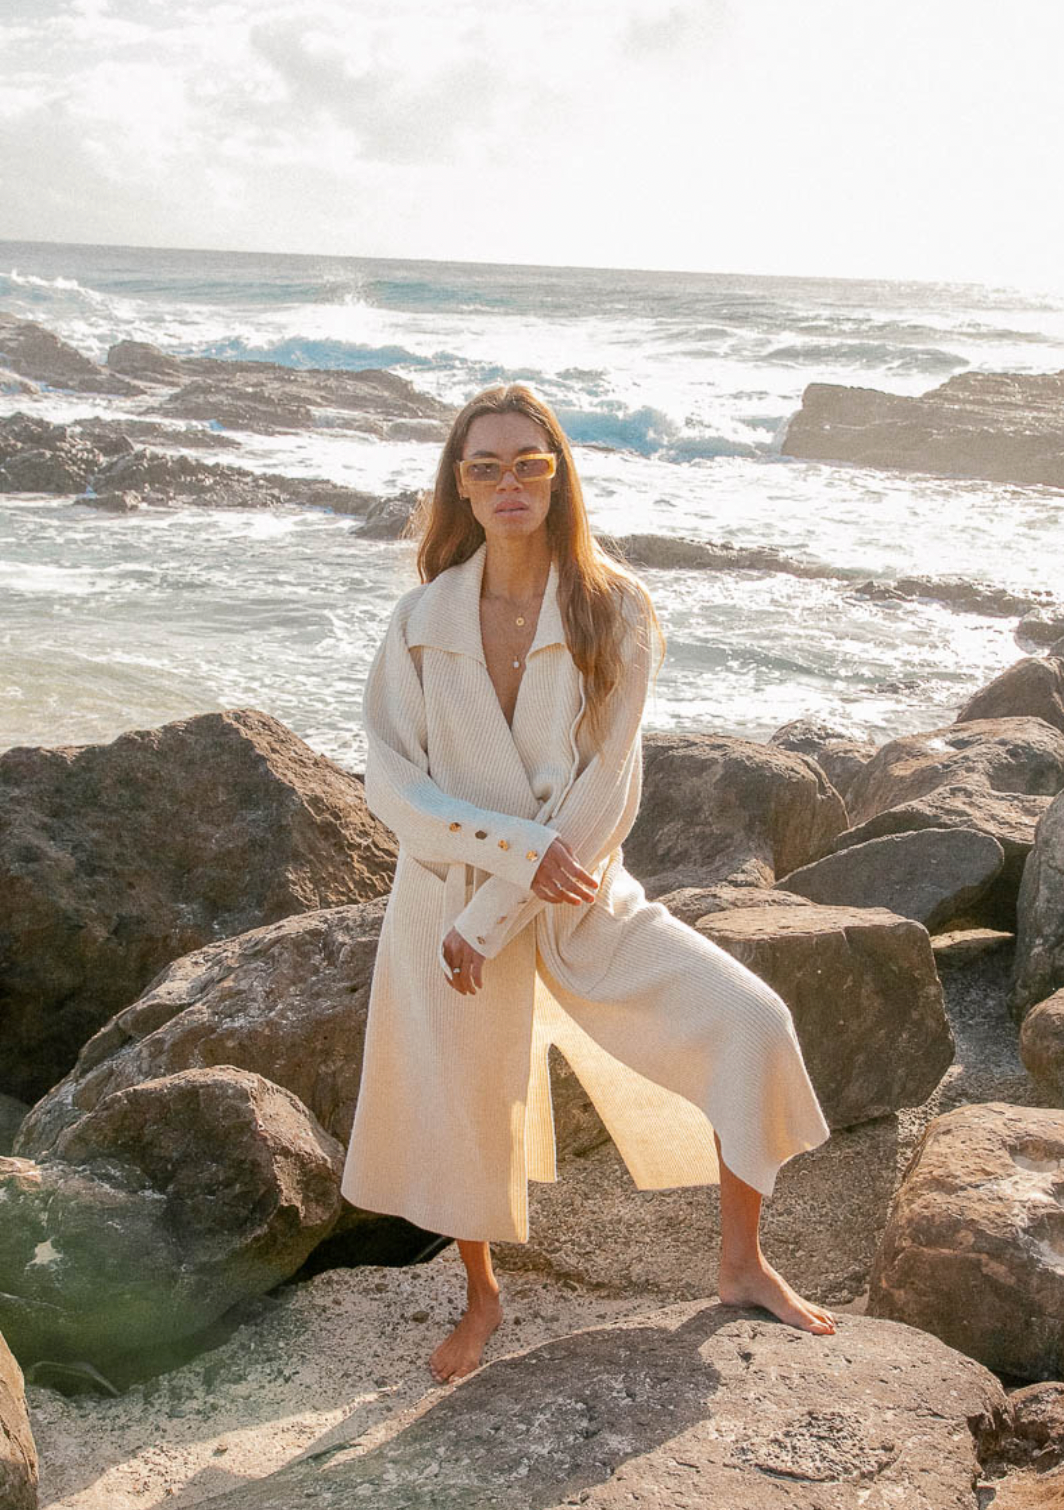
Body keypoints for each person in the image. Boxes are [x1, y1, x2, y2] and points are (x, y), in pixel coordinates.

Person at [341, 383, 835, 1385]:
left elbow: (605, 791)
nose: (509, 481)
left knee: (750, 1019)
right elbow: (391, 783)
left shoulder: (613, 608)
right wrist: (494, 874)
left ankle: (741, 1262)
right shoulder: (420, 619)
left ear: (558, 473)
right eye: (485, 465)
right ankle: (482, 1295)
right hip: (443, 893)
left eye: (529, 461)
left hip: (576, 890)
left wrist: (505, 899)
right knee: (464, 1098)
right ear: (460, 486)